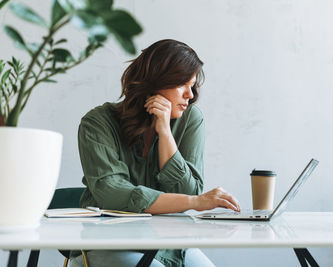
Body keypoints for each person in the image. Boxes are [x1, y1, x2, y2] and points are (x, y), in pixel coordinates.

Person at [69, 39, 241, 267]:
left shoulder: (190, 119)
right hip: (106, 244)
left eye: (192, 85)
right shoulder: (97, 123)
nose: (190, 95)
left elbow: (188, 190)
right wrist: (196, 201)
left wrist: (165, 132)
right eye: (182, 84)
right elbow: (113, 195)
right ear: (154, 83)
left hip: (168, 245)